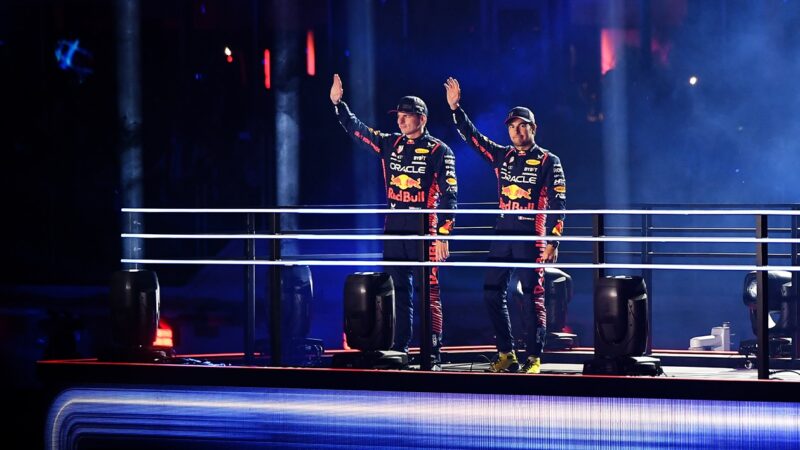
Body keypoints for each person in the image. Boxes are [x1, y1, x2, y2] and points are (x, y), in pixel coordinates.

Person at [331, 74, 458, 363]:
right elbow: (358, 130)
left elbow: (451, 196)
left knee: (429, 290)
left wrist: (444, 233)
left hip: (425, 228)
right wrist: (339, 104)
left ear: (422, 118)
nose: (400, 121)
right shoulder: (390, 144)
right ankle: (401, 346)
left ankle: (432, 350)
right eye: (398, 116)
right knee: (398, 289)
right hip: (395, 227)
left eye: (406, 116)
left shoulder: (440, 151)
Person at [444, 77, 566, 374]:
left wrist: (554, 240)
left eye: (522, 125)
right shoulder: (503, 156)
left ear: (533, 129)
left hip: (532, 235)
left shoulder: (550, 161)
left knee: (533, 294)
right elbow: (474, 139)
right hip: (503, 234)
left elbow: (561, 203)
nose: (517, 130)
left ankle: (534, 358)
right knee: (490, 291)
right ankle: (506, 353)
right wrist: (455, 109)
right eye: (512, 126)